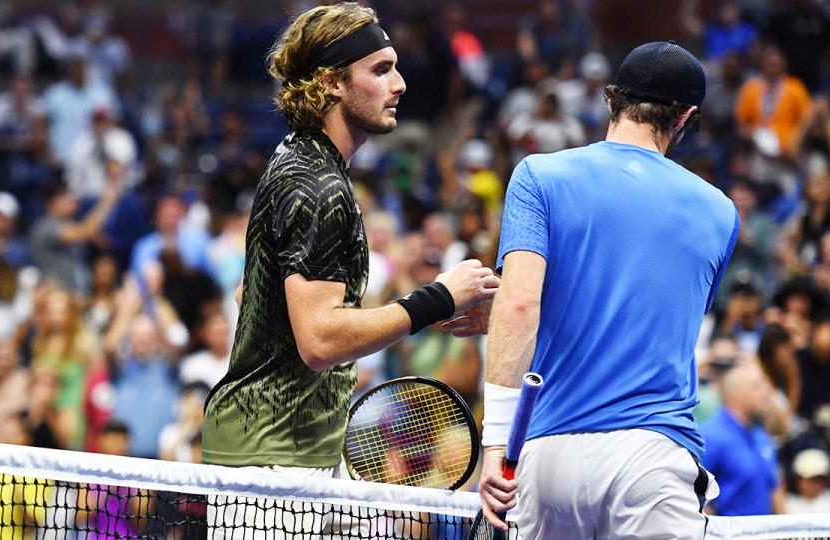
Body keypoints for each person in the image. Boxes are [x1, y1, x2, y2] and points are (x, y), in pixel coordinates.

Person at [201, 3, 498, 535]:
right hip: (275, 472)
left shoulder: (294, 160)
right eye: (380, 69)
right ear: (333, 84)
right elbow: (319, 340)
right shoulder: (320, 187)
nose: (401, 84)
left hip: (287, 454)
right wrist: (439, 298)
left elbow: (256, 293)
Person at [478, 41, 735, 539]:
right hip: (652, 461)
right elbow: (656, 305)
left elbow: (521, 303)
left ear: (611, 100)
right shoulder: (721, 211)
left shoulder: (538, 176)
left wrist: (495, 446)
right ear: (685, 117)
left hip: (547, 456)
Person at [700, 360, 780, 516]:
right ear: (734, 394)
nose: (766, 392)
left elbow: (775, 488)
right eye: (757, 386)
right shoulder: (710, 435)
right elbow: (695, 497)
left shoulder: (761, 436)